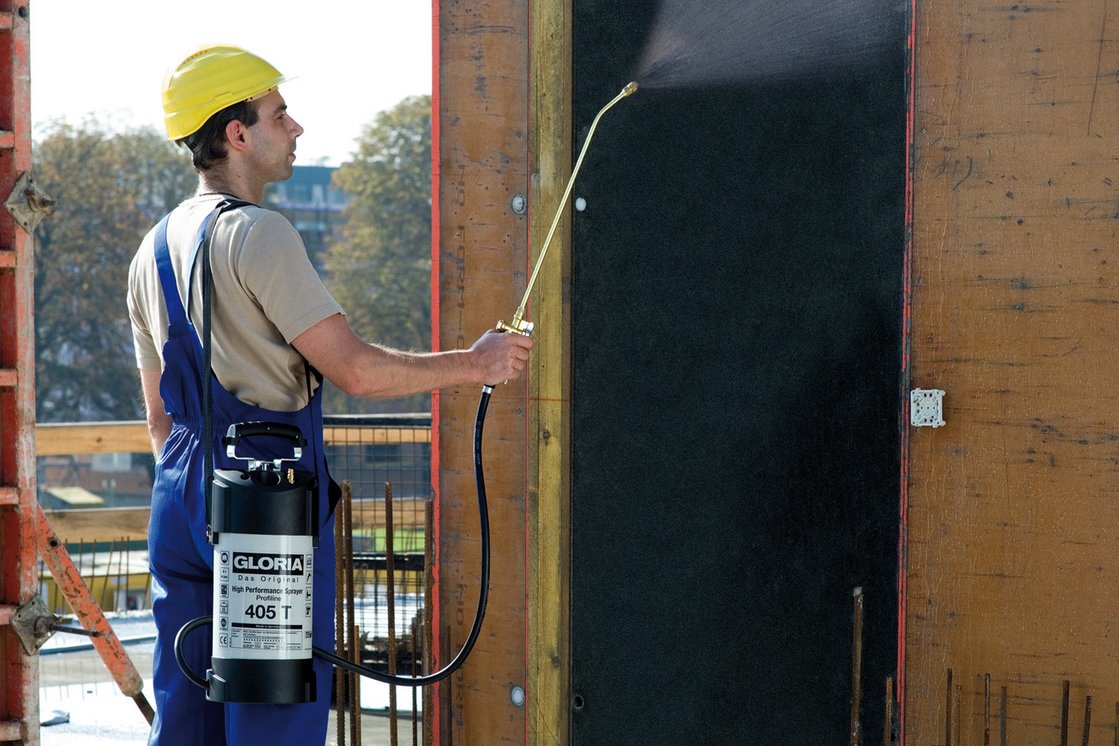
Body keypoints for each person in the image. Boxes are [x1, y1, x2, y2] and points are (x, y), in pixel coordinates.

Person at [127, 45, 532, 745]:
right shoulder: (258, 234)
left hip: (180, 491)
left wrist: (197, 494)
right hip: (264, 497)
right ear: (237, 133)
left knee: (186, 711)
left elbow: (160, 419)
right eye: (279, 114)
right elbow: (358, 371)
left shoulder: (151, 249)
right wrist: (476, 363)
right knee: (273, 716)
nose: (297, 128)